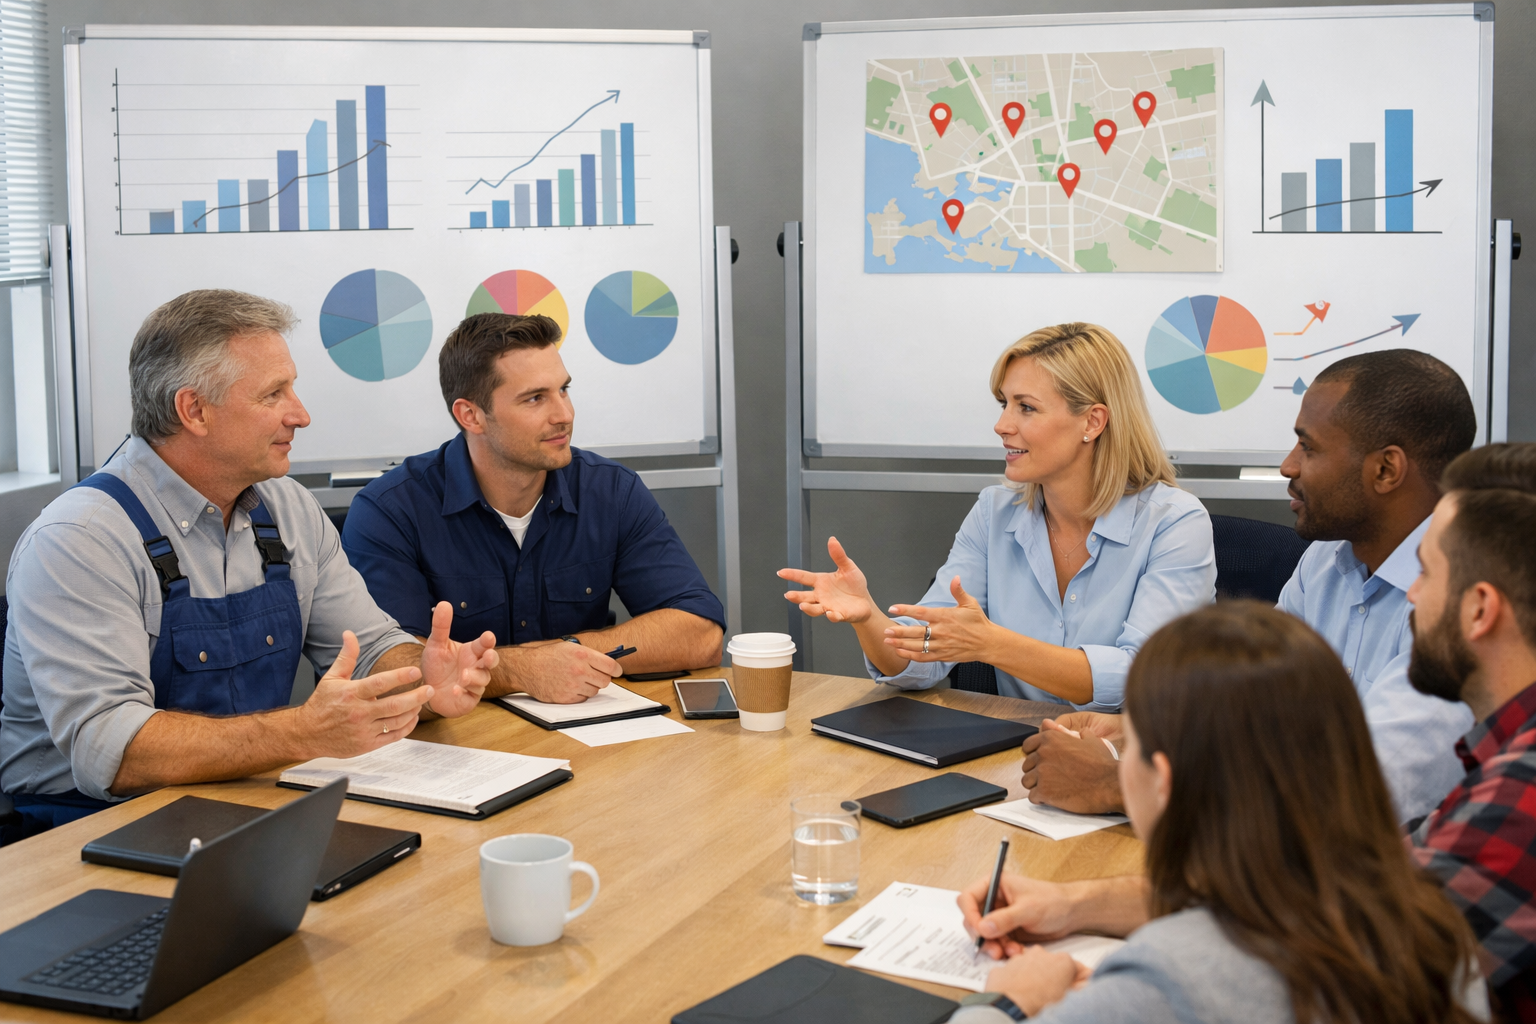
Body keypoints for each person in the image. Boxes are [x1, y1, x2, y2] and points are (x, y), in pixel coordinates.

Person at [0, 290, 497, 832]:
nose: (301, 415)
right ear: (194, 410)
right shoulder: (79, 539)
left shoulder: (288, 508)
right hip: (84, 828)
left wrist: (419, 678)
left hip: (241, 803)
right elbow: (114, 752)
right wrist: (302, 732)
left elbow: (369, 647)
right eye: (273, 394)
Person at [947, 603, 1487, 1024]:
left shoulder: (1166, 977)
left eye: (1129, 743)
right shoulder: (1431, 926)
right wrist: (1075, 904)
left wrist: (1008, 1001)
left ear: (1163, 781)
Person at [1020, 349, 1476, 823]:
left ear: (1386, 470)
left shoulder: (1466, 600)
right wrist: (1138, 733)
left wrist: (1118, 784)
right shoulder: (1328, 560)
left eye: (1309, 448)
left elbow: (1360, 793)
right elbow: (1252, 704)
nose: (1288, 466)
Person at [779, 323, 1214, 710]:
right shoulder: (994, 512)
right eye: (1004, 404)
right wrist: (868, 617)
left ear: (1093, 422)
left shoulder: (1175, 522)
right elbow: (924, 658)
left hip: (1134, 759)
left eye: (1026, 407)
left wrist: (991, 644)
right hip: (1019, 755)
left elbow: (1145, 679)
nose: (1002, 425)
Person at [341, 312, 724, 705]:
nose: (564, 415)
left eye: (564, 390)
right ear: (471, 416)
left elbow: (702, 633)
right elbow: (386, 673)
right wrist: (522, 669)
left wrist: (569, 653)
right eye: (535, 398)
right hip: (457, 736)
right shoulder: (389, 511)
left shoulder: (611, 491)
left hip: (585, 731)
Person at [1404, 442, 1536, 1020]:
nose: (1412, 595)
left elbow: (1342, 963)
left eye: (1425, 571)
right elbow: (1384, 865)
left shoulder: (1522, 794)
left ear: (1480, 609)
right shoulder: (1504, 756)